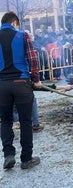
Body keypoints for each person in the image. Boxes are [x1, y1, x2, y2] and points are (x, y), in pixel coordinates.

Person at [0, 12, 42, 169]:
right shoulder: (22, 35)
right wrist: (36, 80)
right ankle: (26, 159)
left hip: (2, 85)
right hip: (21, 83)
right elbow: (32, 59)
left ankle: (8, 156)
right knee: (26, 121)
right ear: (14, 22)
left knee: (5, 121)